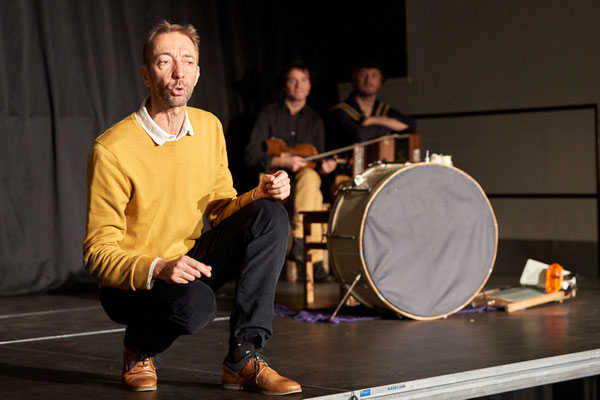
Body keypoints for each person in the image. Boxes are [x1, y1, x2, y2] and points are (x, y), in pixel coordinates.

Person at [83, 21, 301, 396]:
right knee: (197, 305)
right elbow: (97, 253)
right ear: (146, 75)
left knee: (270, 215)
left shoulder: (209, 127)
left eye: (187, 61)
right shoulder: (113, 149)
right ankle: (139, 348)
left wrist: (258, 194)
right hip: (136, 281)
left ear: (198, 73)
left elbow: (219, 211)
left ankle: (243, 357)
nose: (178, 72)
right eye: (165, 61)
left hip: (188, 260)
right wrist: (160, 267)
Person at [244, 62, 336, 278]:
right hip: (275, 187)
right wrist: (284, 162)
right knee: (312, 193)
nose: (299, 85)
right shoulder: (268, 114)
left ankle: (299, 243)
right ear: (284, 86)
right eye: (292, 80)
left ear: (310, 86)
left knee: (311, 179)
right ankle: (313, 262)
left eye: (304, 80)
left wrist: (326, 168)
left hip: (302, 188)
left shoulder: (315, 120)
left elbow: (316, 162)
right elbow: (250, 157)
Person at [328, 62, 416, 150]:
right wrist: (389, 124)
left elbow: (410, 126)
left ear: (381, 80)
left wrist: (373, 120)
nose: (368, 80)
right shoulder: (340, 112)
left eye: (374, 75)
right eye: (362, 75)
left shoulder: (382, 109)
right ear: (354, 80)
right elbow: (360, 136)